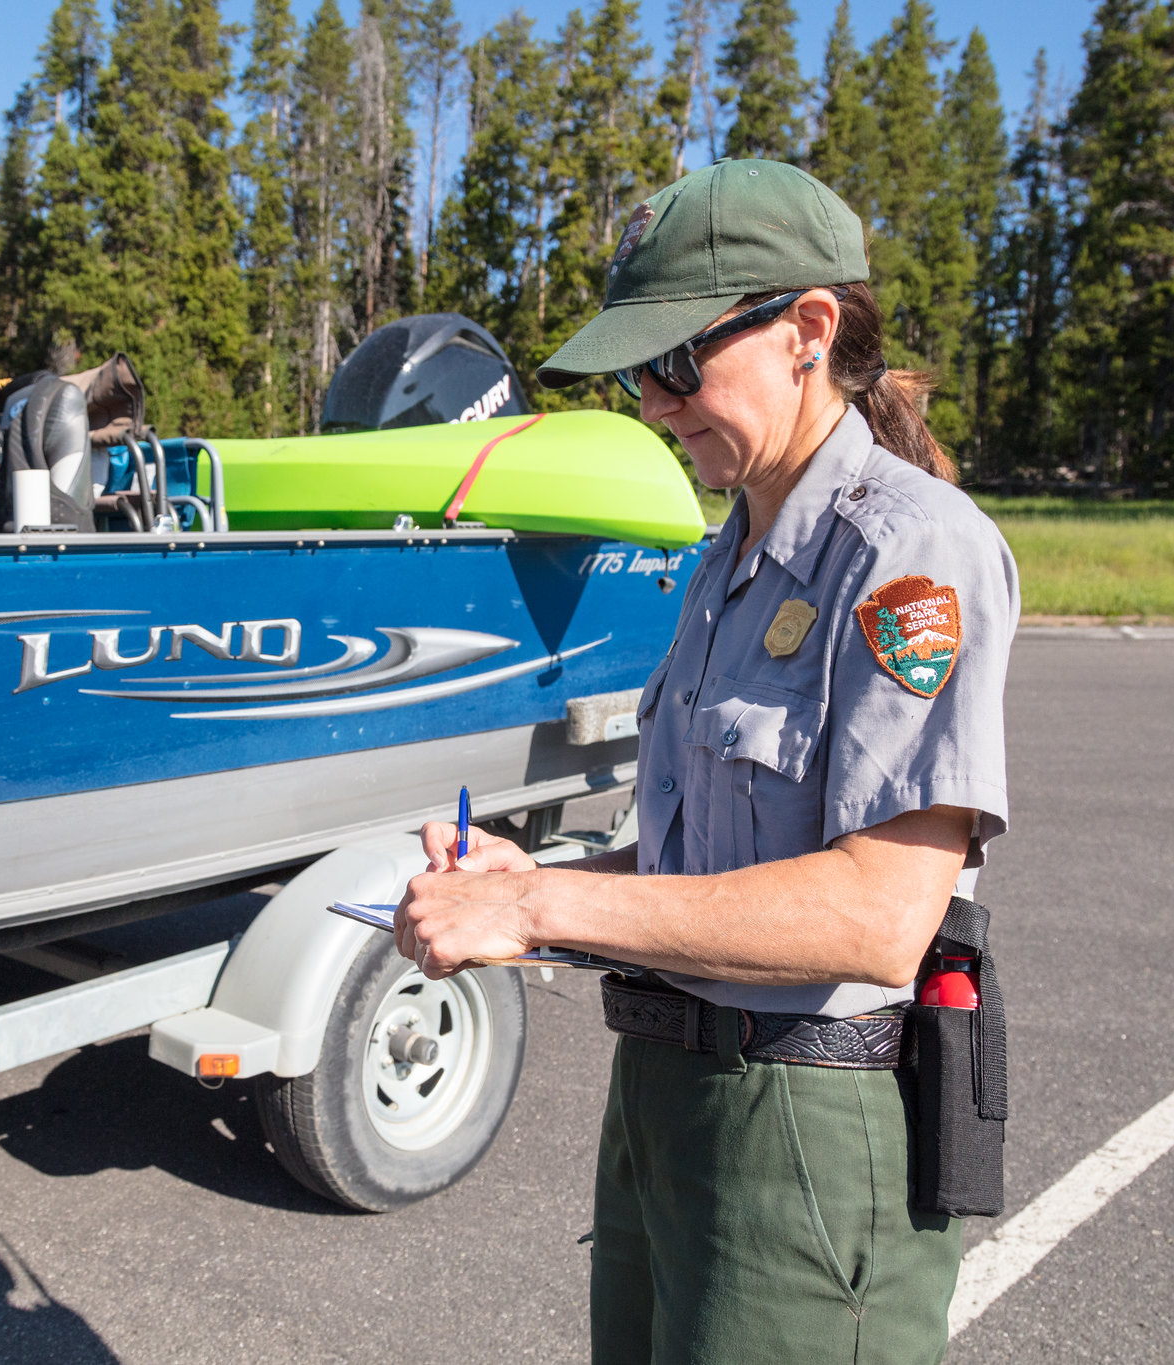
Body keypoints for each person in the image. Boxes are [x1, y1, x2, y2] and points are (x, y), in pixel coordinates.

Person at [393, 158, 1018, 1365]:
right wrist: (522, 896)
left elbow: (876, 916)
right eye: (637, 372)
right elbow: (707, 860)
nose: (652, 402)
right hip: (668, 1100)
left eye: (676, 362)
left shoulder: (908, 553)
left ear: (806, 332)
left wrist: (538, 898)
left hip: (805, 1134)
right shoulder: (725, 553)